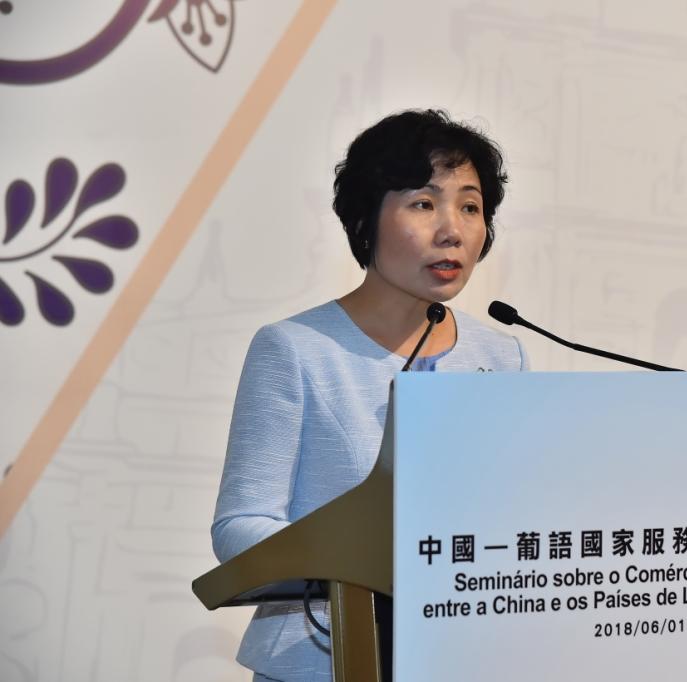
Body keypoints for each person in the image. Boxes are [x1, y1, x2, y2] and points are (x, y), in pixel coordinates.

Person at [210, 109, 529, 681]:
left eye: (470, 207)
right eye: (424, 204)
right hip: (320, 659)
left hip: (460, 657)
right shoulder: (296, 349)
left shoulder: (502, 356)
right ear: (364, 219)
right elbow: (241, 525)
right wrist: (362, 561)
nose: (452, 230)